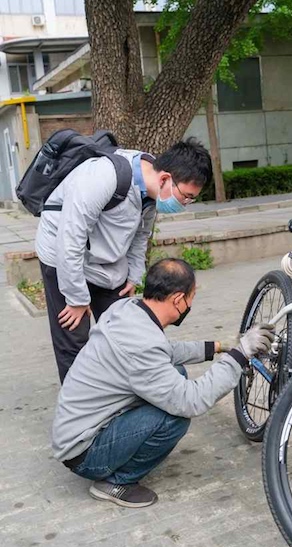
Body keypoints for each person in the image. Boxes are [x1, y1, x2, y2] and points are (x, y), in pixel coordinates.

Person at [52, 258, 275, 508]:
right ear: (179, 300)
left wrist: (220, 347)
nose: (191, 303)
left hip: (79, 428)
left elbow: (165, 351)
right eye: (192, 297)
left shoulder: (127, 309)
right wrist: (240, 355)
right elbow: (192, 401)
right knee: (175, 417)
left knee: (175, 372)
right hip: (85, 452)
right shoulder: (142, 344)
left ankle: (126, 451)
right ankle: (116, 482)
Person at [35, 137, 212, 383]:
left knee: (122, 329)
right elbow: (70, 238)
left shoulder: (152, 193)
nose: (186, 204)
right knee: (74, 336)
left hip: (103, 259)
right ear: (165, 179)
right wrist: (76, 299)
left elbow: (141, 236)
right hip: (61, 255)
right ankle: (81, 415)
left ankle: (116, 395)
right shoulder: (104, 177)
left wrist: (133, 275)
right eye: (186, 196)